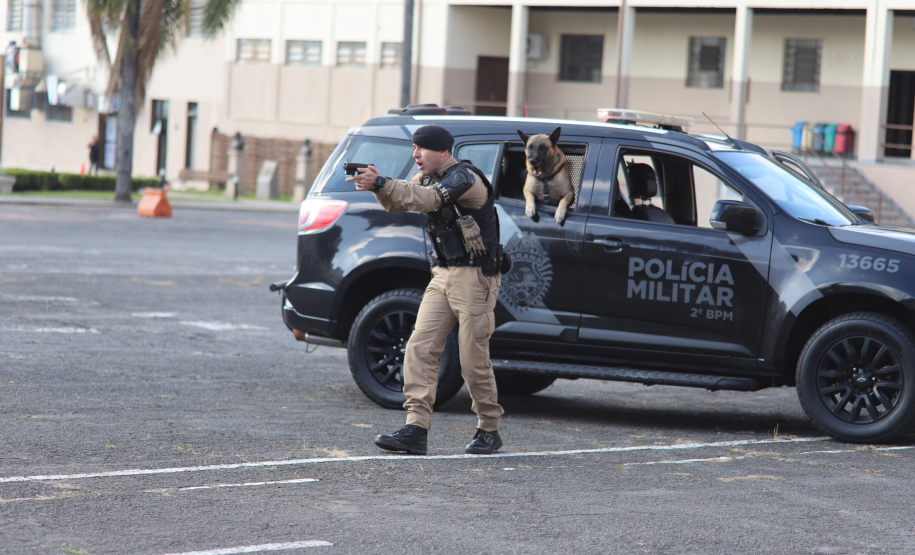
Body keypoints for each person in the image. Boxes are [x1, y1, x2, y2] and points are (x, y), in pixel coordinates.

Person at [346, 125, 506, 455]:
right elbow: (400, 201)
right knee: (419, 348)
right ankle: (415, 429)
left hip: (475, 279)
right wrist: (377, 186)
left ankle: (489, 428)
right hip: (443, 275)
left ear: (443, 152)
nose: (415, 154)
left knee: (472, 359)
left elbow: (430, 200)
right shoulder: (426, 178)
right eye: (414, 148)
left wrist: (382, 182)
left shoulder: (464, 179)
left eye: (422, 149)